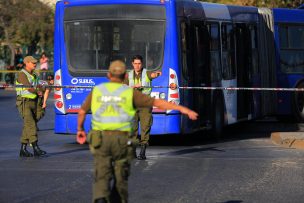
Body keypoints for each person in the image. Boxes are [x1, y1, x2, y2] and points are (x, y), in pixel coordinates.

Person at [76, 60, 198, 203]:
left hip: (100, 140)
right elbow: (157, 103)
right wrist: (184, 109)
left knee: (101, 176)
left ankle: (101, 197)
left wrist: (80, 130)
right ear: (124, 77)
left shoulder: (97, 91)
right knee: (120, 177)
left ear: (109, 75)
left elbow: (82, 111)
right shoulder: (129, 92)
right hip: (121, 141)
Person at [124, 55, 162, 160]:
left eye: (139, 63)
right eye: (135, 63)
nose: (137, 65)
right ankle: (133, 152)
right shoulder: (128, 75)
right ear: (132, 64)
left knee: (145, 127)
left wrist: (157, 74)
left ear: (142, 64)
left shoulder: (146, 73)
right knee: (133, 129)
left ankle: (142, 152)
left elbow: (154, 75)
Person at [15, 55, 47, 157]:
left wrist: (41, 90)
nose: (35, 64)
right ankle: (35, 148)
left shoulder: (34, 74)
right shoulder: (22, 74)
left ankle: (23, 149)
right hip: (24, 102)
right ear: (27, 63)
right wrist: (38, 91)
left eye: (35, 62)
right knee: (31, 124)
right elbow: (29, 87)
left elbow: (38, 86)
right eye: (33, 62)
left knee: (28, 125)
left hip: (34, 102)